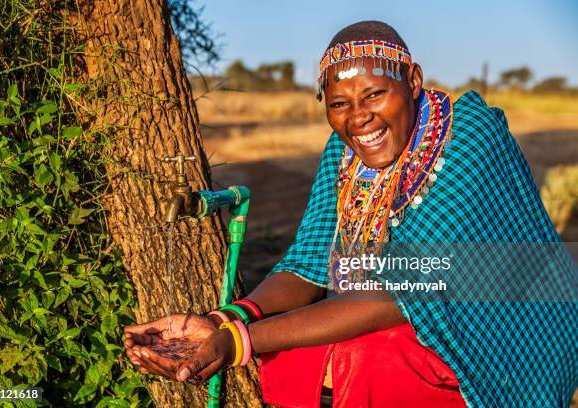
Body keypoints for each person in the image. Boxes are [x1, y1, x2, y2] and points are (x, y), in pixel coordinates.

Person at [124, 21, 577, 407]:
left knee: (363, 360)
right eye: (339, 104)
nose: (359, 118)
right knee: (295, 356)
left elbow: (408, 288)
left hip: (494, 334)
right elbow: (309, 265)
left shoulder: (471, 135)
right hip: (396, 314)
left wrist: (240, 341)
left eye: (375, 94)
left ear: (413, 82)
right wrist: (225, 321)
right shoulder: (343, 152)